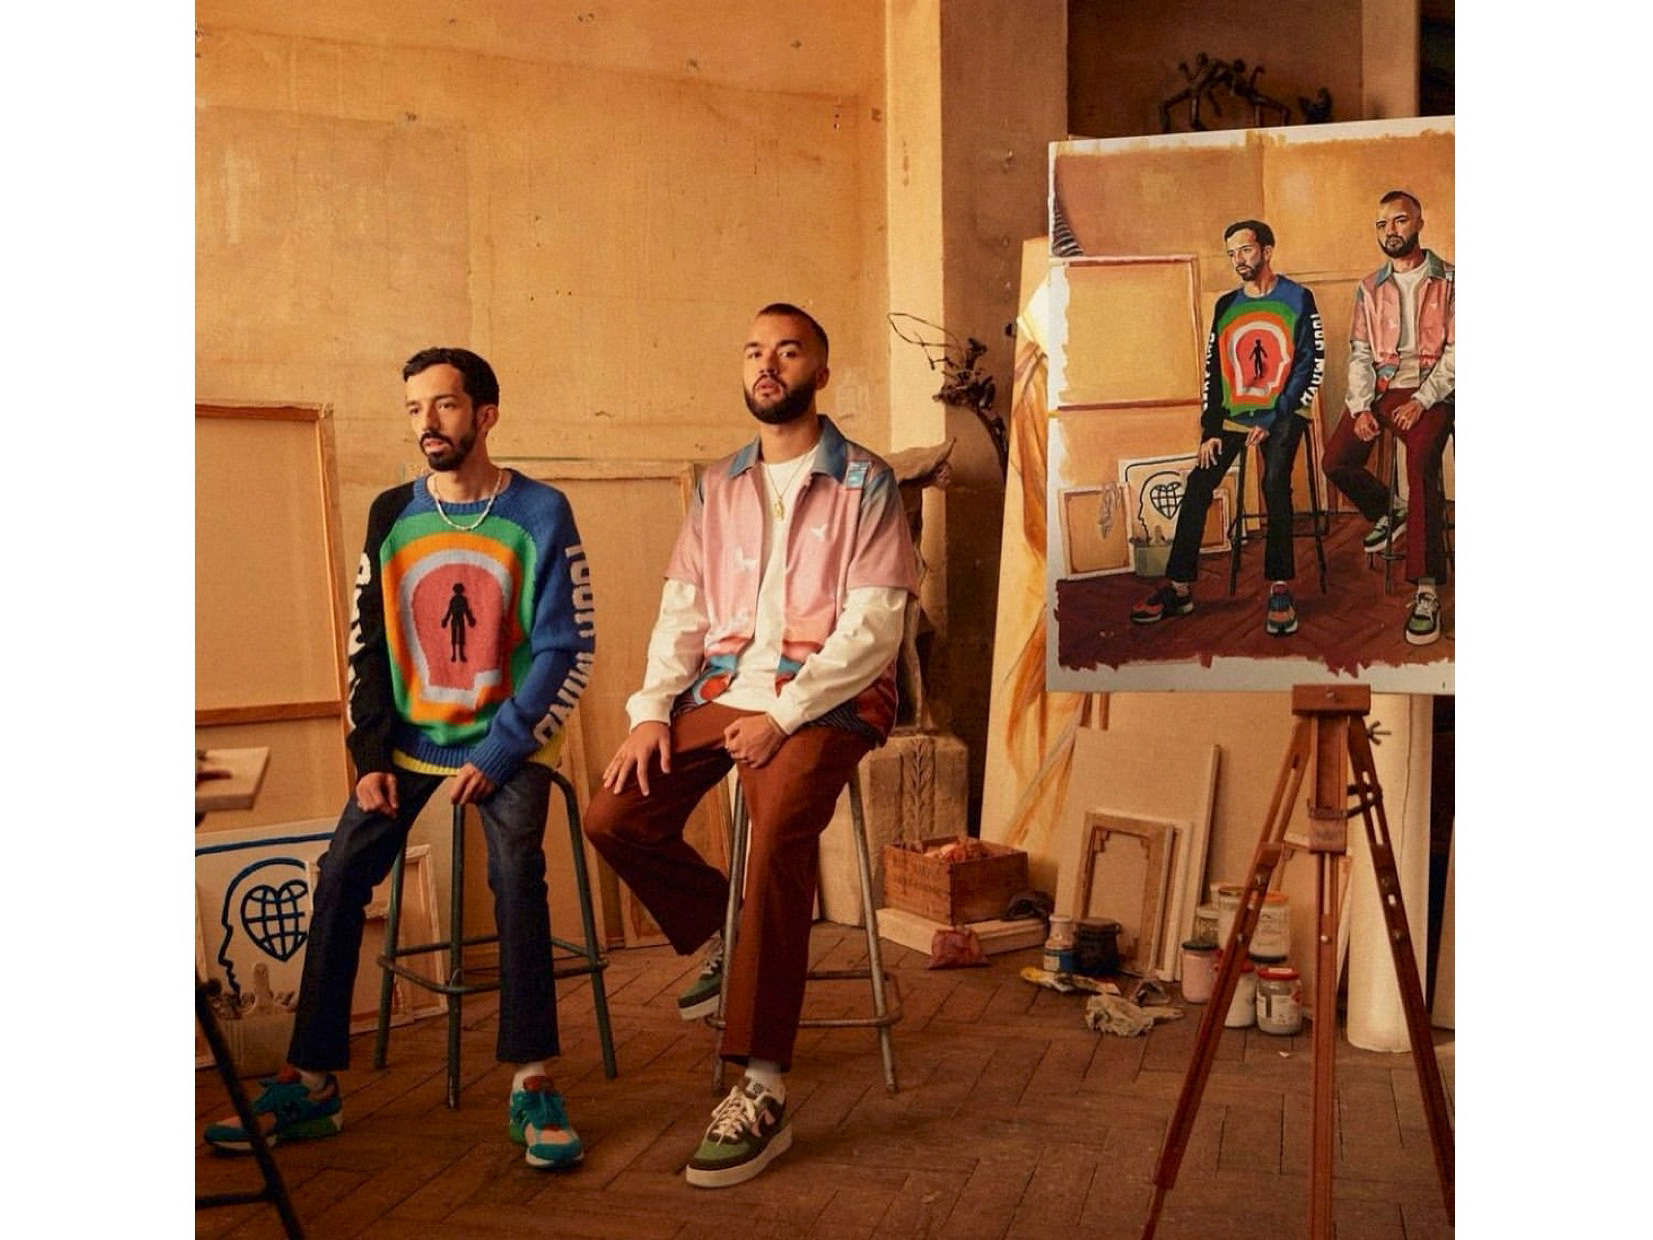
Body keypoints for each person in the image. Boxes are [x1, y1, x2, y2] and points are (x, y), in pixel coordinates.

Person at [205, 348, 597, 1170]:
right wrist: (368, 756)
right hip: (408, 744)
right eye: (415, 408)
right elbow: (369, 644)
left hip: (508, 740)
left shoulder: (541, 511)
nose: (427, 423)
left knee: (516, 872)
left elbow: (568, 647)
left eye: (444, 405)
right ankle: (311, 1082)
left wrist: (502, 747)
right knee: (340, 873)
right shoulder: (392, 513)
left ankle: (533, 1080)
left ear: (485, 414)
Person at [583, 303, 918, 1188]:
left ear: (820, 371)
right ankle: (726, 934)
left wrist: (786, 714)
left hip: (828, 701)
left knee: (774, 840)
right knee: (614, 812)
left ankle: (761, 1086)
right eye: (754, 352)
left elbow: (874, 629)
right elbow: (682, 614)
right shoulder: (718, 486)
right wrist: (651, 711)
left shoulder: (865, 482)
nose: (767, 365)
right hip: (725, 690)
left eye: (788, 351)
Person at [1131, 219, 1325, 634]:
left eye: (1246, 250)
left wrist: (1274, 417)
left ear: (1267, 251)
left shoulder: (1298, 298)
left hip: (1284, 411)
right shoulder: (1226, 306)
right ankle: (1179, 587)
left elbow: (1310, 364)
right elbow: (1214, 372)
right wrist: (1211, 430)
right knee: (1199, 481)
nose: (1238, 260)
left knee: (1274, 481)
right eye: (1232, 253)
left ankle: (1279, 586)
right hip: (1236, 416)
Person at [1321, 190, 1455, 645]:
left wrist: (1423, 398)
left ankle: (1425, 589)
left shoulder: (1452, 281)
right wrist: (1361, 406)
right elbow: (1360, 352)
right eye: (1382, 224)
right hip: (1382, 390)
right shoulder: (1369, 287)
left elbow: (1459, 352)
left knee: (1420, 466)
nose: (1390, 231)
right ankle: (1389, 510)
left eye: (1399, 221)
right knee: (1336, 461)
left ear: (1419, 223)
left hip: (1434, 392)